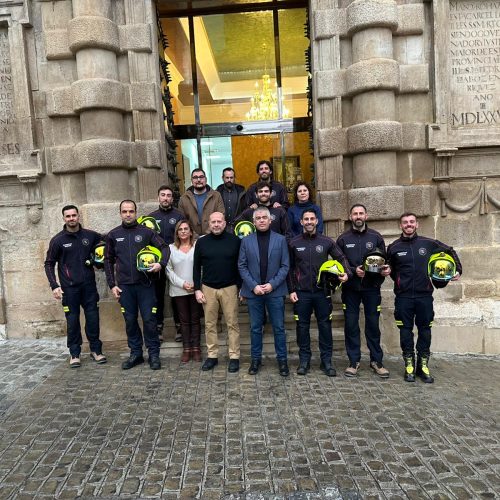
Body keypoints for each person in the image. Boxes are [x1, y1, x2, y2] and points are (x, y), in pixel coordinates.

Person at [386, 212, 462, 383]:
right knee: (405, 331)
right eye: (405, 222)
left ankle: (423, 365)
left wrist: (457, 269)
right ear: (401, 225)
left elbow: (449, 250)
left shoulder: (429, 244)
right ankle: (409, 365)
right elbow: (389, 268)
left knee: (425, 331)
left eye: (412, 222)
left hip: (425, 296)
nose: (408, 225)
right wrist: (396, 279)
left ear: (417, 224)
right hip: (403, 297)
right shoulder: (393, 247)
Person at [104, 200, 170, 371]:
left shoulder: (146, 232)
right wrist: (112, 285)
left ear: (136, 212)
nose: (128, 214)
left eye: (131, 211)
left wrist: (160, 264)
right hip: (125, 287)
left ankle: (154, 354)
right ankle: (136, 354)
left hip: (146, 285)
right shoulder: (113, 235)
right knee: (130, 321)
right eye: (124, 211)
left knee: (149, 320)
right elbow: (108, 260)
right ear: (120, 213)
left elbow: (164, 248)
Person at [288, 209, 351, 377]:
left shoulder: (326, 242)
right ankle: (304, 361)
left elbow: (341, 258)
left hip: (322, 293)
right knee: (302, 327)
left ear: (317, 221)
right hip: (301, 293)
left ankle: (326, 361)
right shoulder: (294, 243)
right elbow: (289, 269)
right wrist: (292, 289)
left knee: (325, 326)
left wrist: (347, 272)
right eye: (306, 219)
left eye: (312, 219)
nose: (309, 222)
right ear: (301, 222)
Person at [44, 205, 106, 368]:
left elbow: (107, 240)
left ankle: (96, 351)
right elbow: (49, 263)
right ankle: (74, 353)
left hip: (89, 287)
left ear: (79, 216)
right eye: (68, 216)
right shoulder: (58, 240)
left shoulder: (90, 236)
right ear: (64, 218)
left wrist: (99, 259)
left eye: (74, 215)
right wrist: (54, 285)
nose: (71, 219)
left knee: (93, 319)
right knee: (72, 322)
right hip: (69, 289)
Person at [336, 204, 390, 378]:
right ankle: (354, 361)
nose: (358, 216)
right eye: (355, 214)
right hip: (350, 289)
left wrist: (383, 273)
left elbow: (384, 260)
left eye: (361, 213)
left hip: (371, 289)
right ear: (350, 217)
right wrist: (352, 271)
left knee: (373, 325)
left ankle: (376, 361)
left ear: (366, 216)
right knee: (351, 325)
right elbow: (339, 262)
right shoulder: (343, 238)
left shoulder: (376, 237)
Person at [238, 207, 290, 377]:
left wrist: (272, 285)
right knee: (255, 328)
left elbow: (285, 266)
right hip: (254, 292)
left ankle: (282, 361)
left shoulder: (281, 240)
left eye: (264, 217)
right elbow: (242, 266)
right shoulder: (246, 241)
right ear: (253, 222)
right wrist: (253, 286)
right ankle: (255, 360)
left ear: (270, 220)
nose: (261, 220)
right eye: (258, 218)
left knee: (279, 328)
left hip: (274, 291)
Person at [193, 212, 241, 373]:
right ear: (209, 224)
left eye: (219, 221)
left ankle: (234, 356)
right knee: (209, 324)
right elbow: (196, 267)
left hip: (230, 288)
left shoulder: (235, 241)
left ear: (225, 223)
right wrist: (197, 289)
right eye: (213, 222)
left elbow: (241, 266)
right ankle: (212, 356)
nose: (216, 224)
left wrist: (240, 288)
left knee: (232, 324)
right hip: (208, 288)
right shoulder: (202, 242)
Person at [148, 185, 184, 341]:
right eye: (163, 195)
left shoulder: (179, 215)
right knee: (157, 295)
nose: (166, 198)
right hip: (157, 262)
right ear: (158, 197)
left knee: (177, 293)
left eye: (169, 195)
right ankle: (158, 327)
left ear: (172, 198)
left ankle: (180, 327)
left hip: (175, 259)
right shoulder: (150, 217)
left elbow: (185, 235)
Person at [166, 220, 202, 363]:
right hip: (178, 290)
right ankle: (186, 349)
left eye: (186, 228)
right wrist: (182, 283)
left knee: (195, 320)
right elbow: (168, 270)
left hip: (195, 289)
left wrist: (196, 283)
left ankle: (196, 348)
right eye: (180, 229)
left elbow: (202, 266)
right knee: (184, 321)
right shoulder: (171, 248)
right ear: (176, 233)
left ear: (191, 231)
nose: (183, 231)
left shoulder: (197, 247)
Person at [179, 168, 225, 236]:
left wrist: (208, 234)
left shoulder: (216, 195)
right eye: (195, 177)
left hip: (213, 236)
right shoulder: (184, 198)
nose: (198, 180)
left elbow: (221, 216)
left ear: (205, 179)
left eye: (201, 177)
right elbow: (182, 220)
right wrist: (194, 235)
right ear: (191, 180)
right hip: (191, 239)